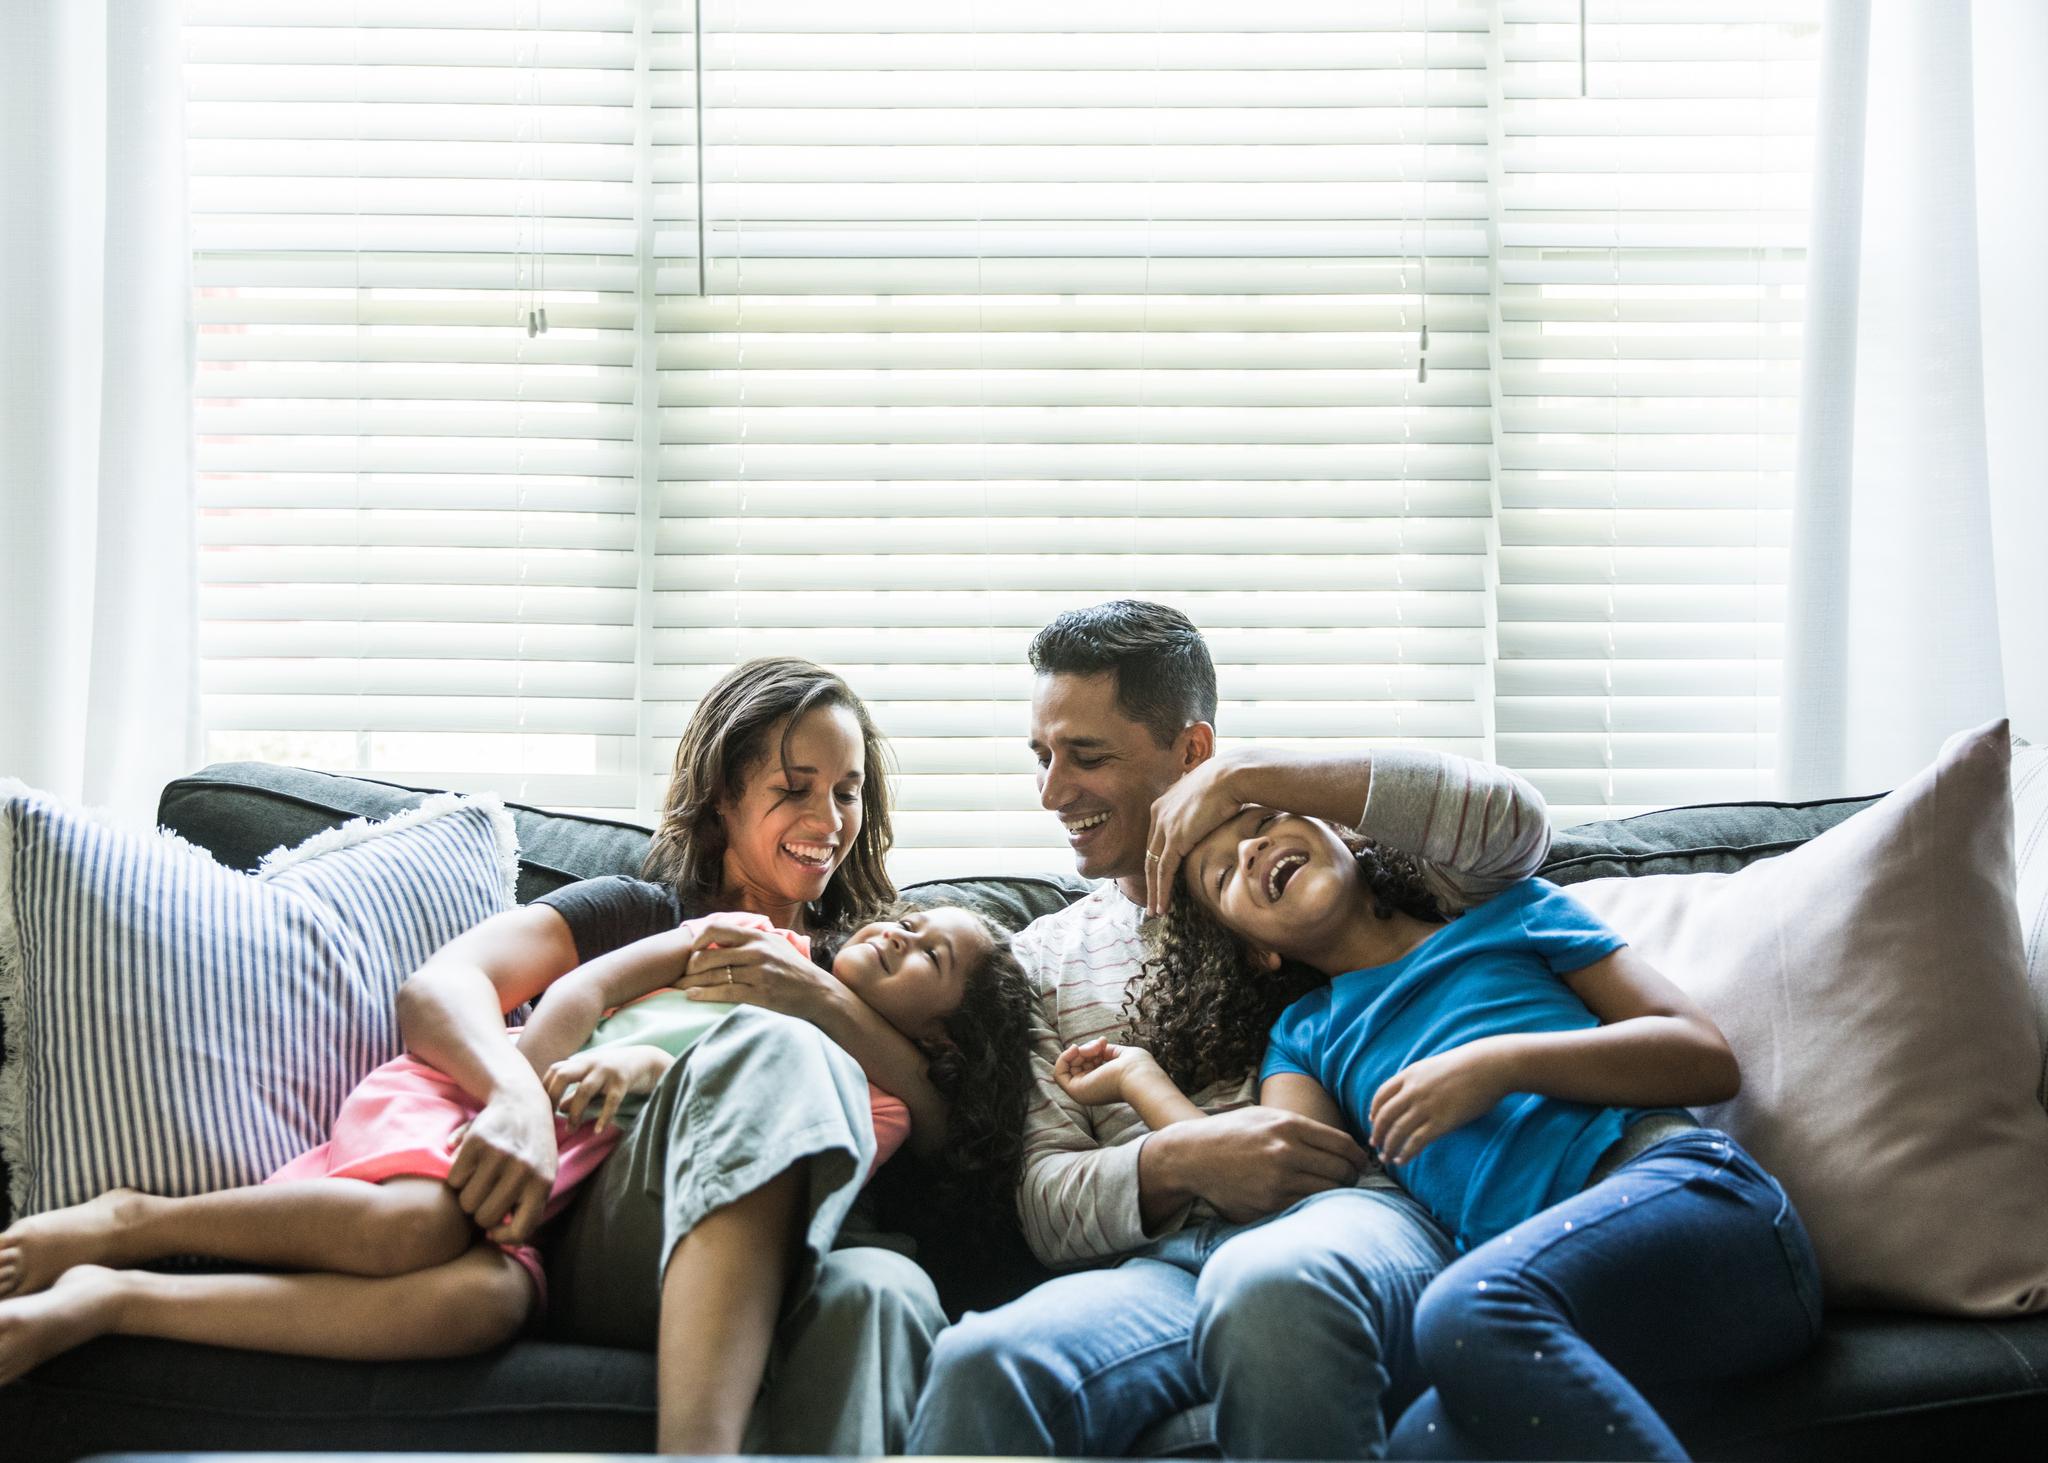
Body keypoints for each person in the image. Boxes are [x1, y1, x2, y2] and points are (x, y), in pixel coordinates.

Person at [0, 657, 1027, 1455]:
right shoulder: (646, 910)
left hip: (745, 1221)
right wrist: (518, 1097)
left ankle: (121, 1286)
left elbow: (943, 1120)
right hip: (571, 1185)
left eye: (845, 791)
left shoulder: (856, 959)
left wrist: (819, 1002)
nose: (828, 820)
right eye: (793, 786)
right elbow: (441, 991)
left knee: (884, 1285)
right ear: (723, 793)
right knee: (444, 1219)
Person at [906, 601, 1552, 1460]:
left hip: (1357, 1223)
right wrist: (1183, 1160)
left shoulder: (1307, 868)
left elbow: (1515, 824)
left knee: (1274, 1284)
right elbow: (1044, 1199)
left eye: (1086, 755)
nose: (1053, 790)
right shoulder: (1041, 961)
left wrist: (1253, 780)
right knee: (981, 1358)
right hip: (1169, 1267)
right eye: (1042, 756)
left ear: (1192, 751)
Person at [1063, 742, 1822, 1461]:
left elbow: (1704, 1058)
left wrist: (1500, 1063)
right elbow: (1273, 1174)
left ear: (1346, 835)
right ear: (1258, 950)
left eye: (1265, 823)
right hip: (1566, 1305)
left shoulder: (1506, 913)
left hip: (1701, 1210)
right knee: (1423, 1441)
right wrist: (1142, 1079)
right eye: (1224, 873)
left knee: (1464, 1314)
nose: (1252, 849)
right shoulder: (1305, 1036)